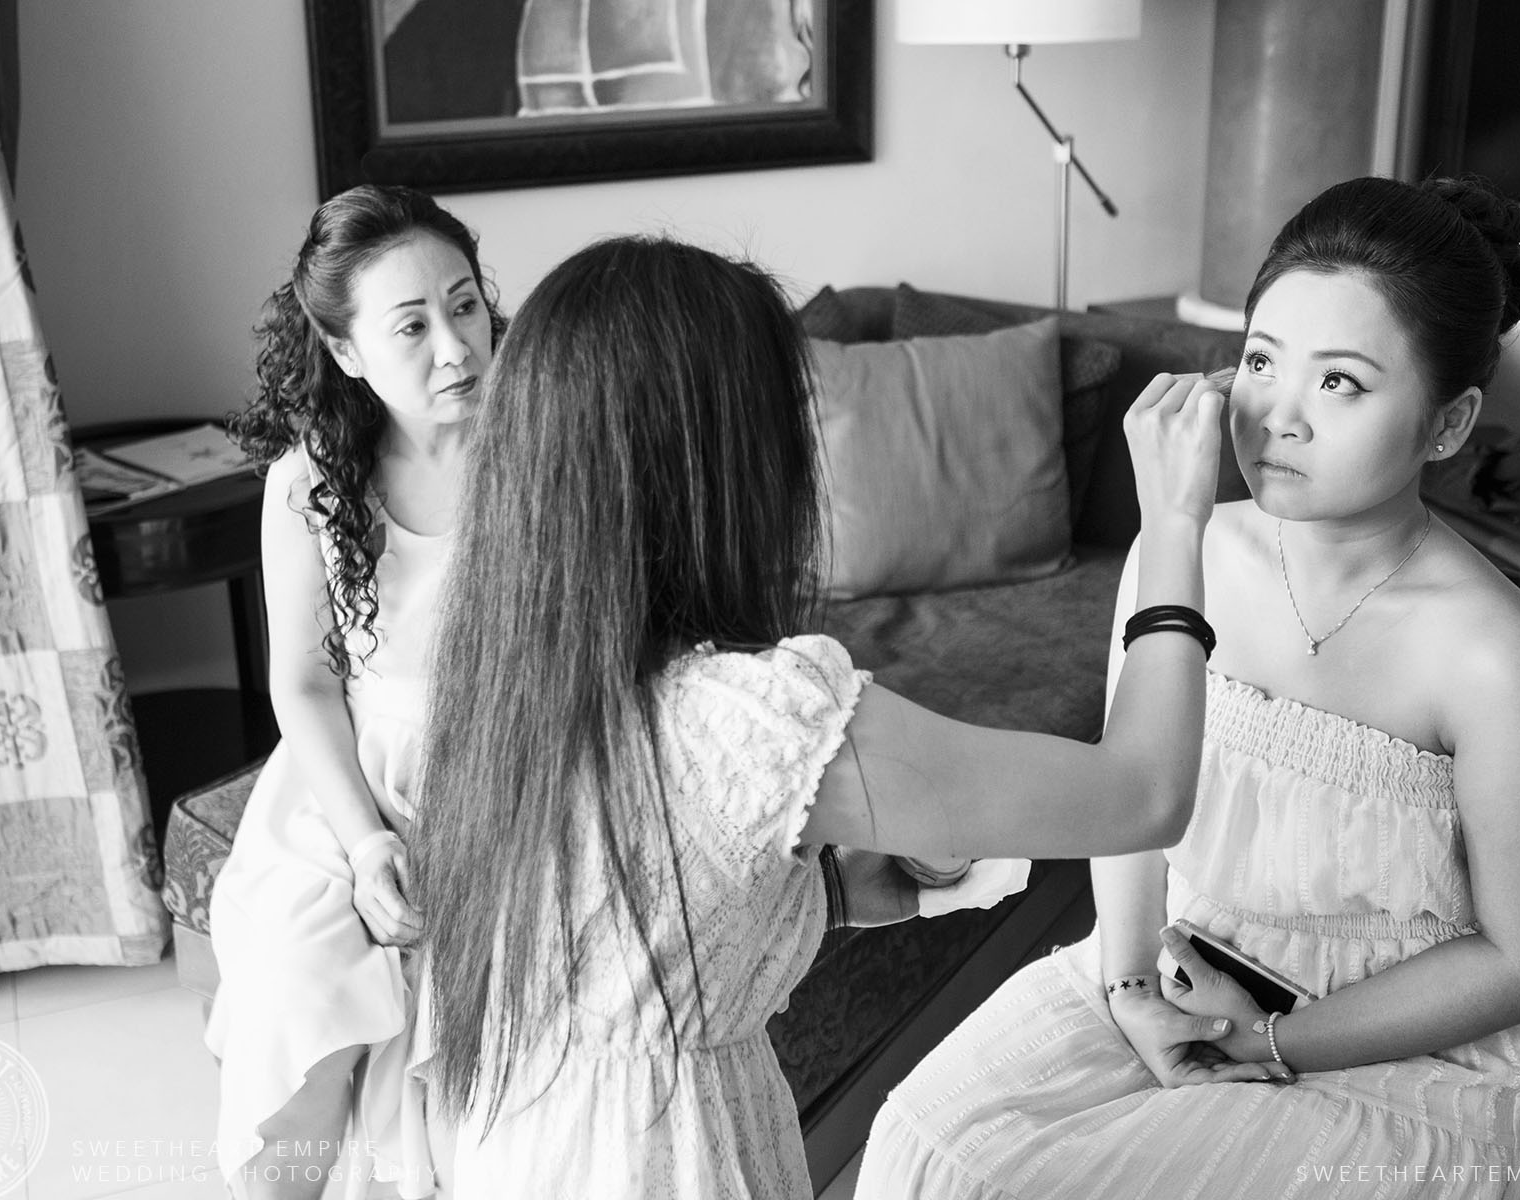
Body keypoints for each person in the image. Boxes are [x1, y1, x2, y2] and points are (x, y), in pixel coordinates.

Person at [410, 235, 1234, 1199]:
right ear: (723, 464)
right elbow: (1141, 797)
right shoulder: (757, 717)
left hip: (516, 1140)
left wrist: (820, 897)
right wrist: (1175, 523)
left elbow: (615, 919)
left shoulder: (501, 667)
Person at [855, 175, 1520, 1199]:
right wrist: (1127, 988)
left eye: (1340, 381)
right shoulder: (1187, 551)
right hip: (1170, 963)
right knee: (927, 1150)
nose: (1278, 416)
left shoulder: (1494, 656)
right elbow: (1128, 795)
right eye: (1261, 360)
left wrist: (1270, 1040)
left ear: (1447, 423)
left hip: (1400, 1055)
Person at [206, 183, 507, 1200]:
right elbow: (301, 679)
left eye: (466, 305)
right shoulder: (310, 480)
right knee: (299, 978)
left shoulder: (548, 444)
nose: (456, 348)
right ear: (346, 351)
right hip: (352, 775)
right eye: (412, 326)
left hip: (509, 767)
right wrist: (368, 836)